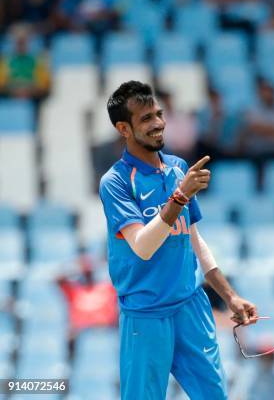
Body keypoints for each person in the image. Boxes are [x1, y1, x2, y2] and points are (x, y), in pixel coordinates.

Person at [98, 81, 259, 400]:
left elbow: (195, 241)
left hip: (191, 306)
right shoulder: (115, 182)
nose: (158, 123)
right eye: (145, 118)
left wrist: (230, 297)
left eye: (158, 114)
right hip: (145, 314)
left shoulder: (177, 168)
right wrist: (181, 195)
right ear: (123, 128)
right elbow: (143, 246)